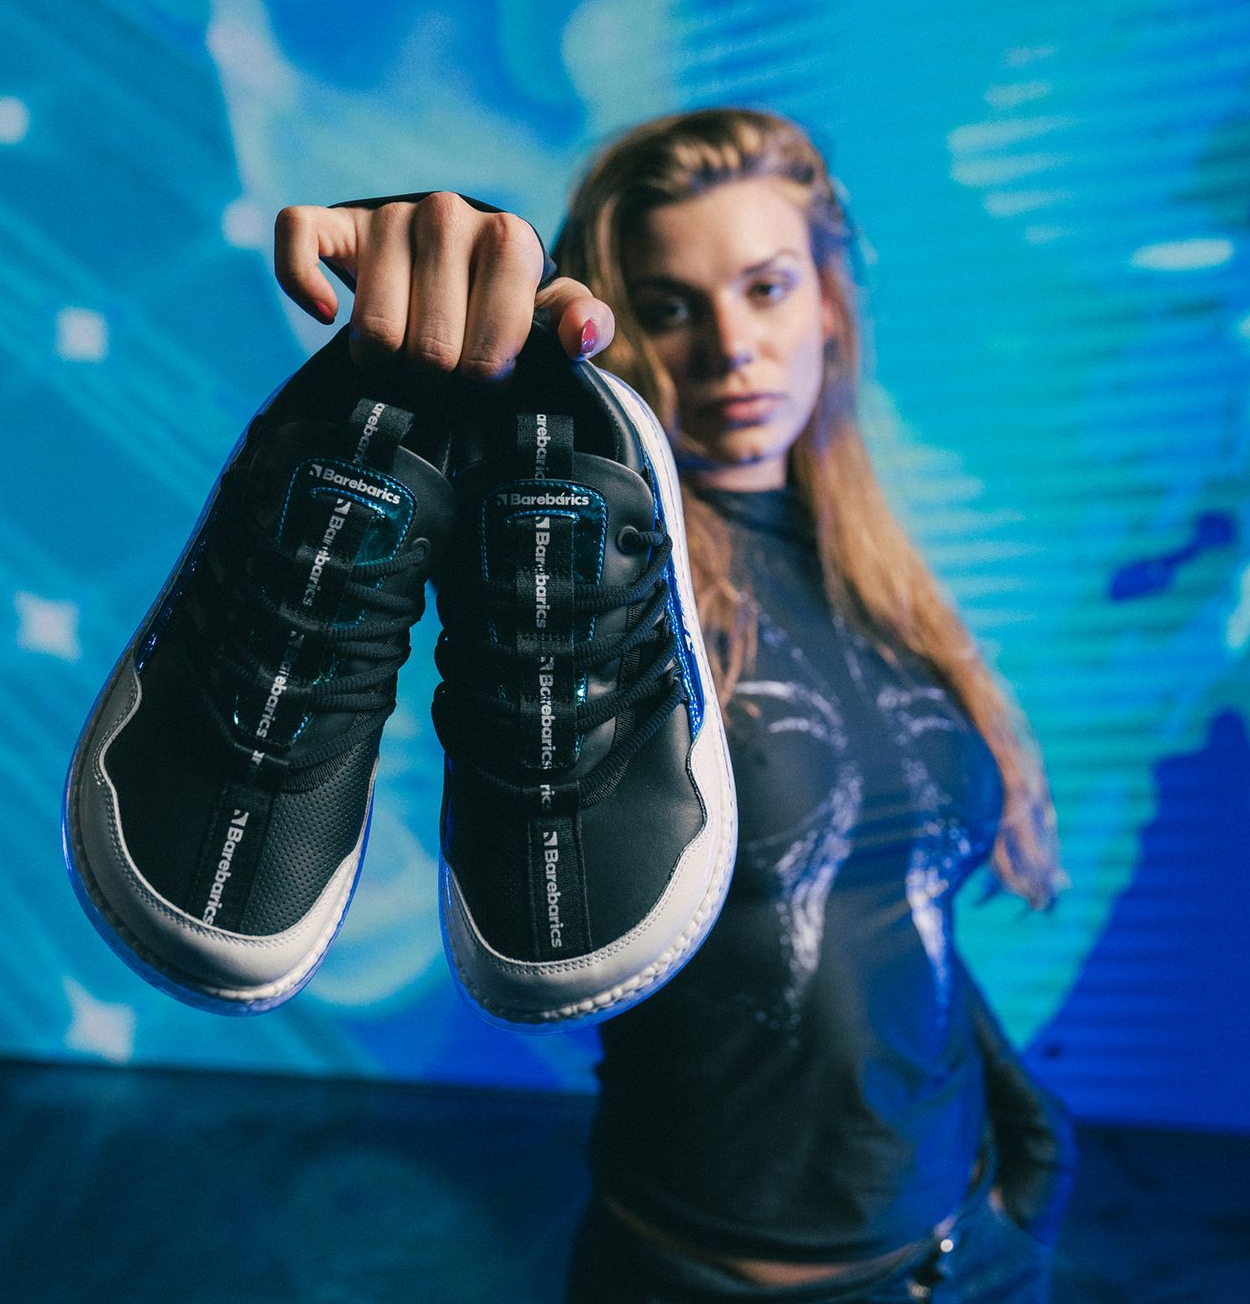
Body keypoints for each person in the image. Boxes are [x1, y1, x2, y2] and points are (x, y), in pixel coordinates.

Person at [271, 108, 1075, 1302]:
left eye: (767, 287)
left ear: (829, 304)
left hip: (970, 1255)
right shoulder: (600, 582)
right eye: (671, 305)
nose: (732, 346)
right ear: (620, 330)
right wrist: (453, 313)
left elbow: (892, 907)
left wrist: (1028, 1160)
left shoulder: (877, 581)